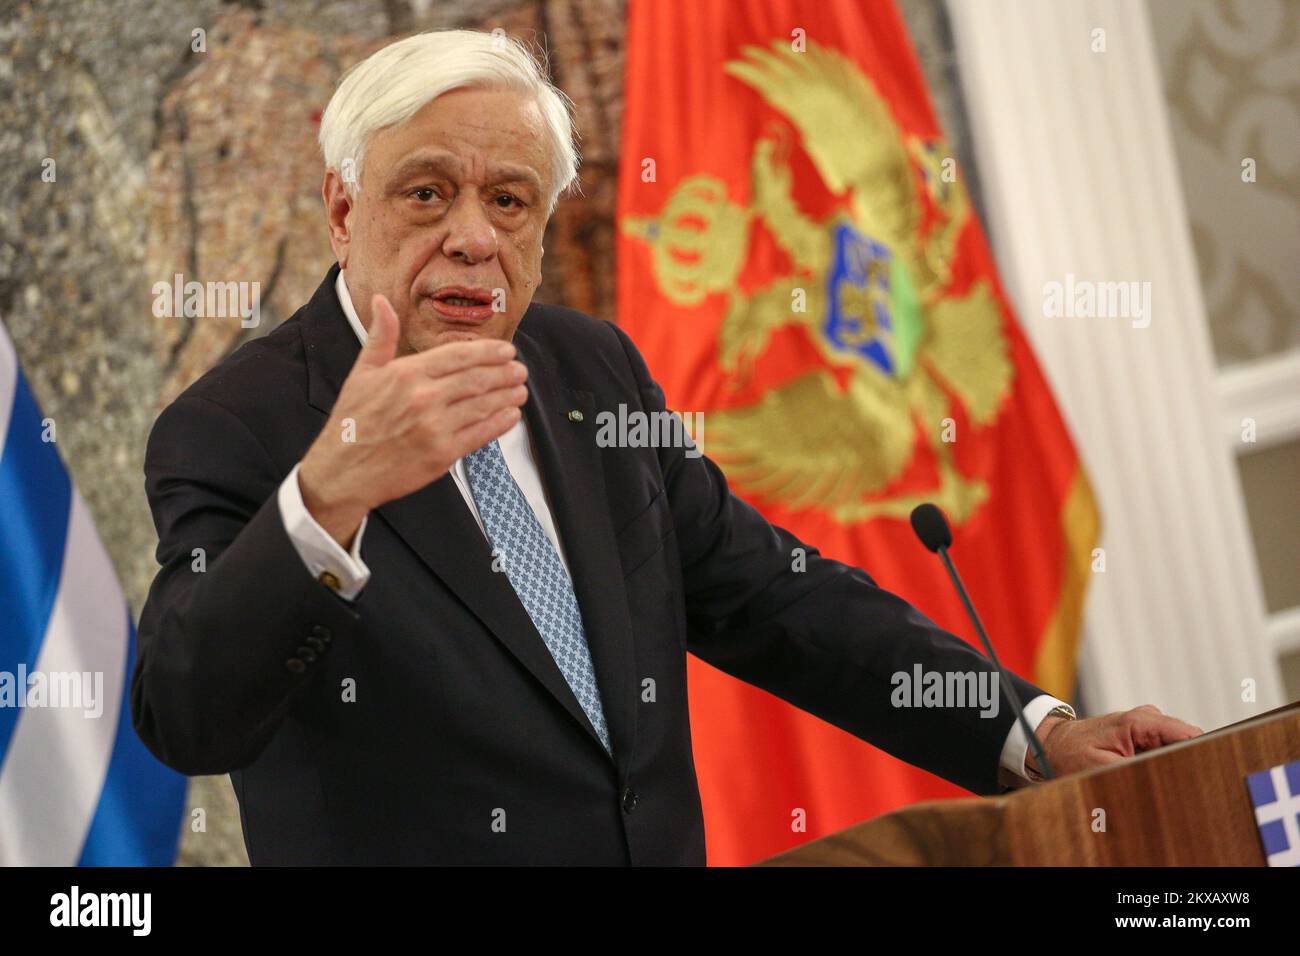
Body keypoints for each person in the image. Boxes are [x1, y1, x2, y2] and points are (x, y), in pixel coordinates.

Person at [132, 29, 1201, 865]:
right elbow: (186, 712)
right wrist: (328, 493)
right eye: (425, 193)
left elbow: (778, 600)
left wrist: (1034, 731)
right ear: (339, 208)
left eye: (508, 201)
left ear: (543, 228)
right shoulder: (239, 426)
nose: (470, 235)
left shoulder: (587, 370)